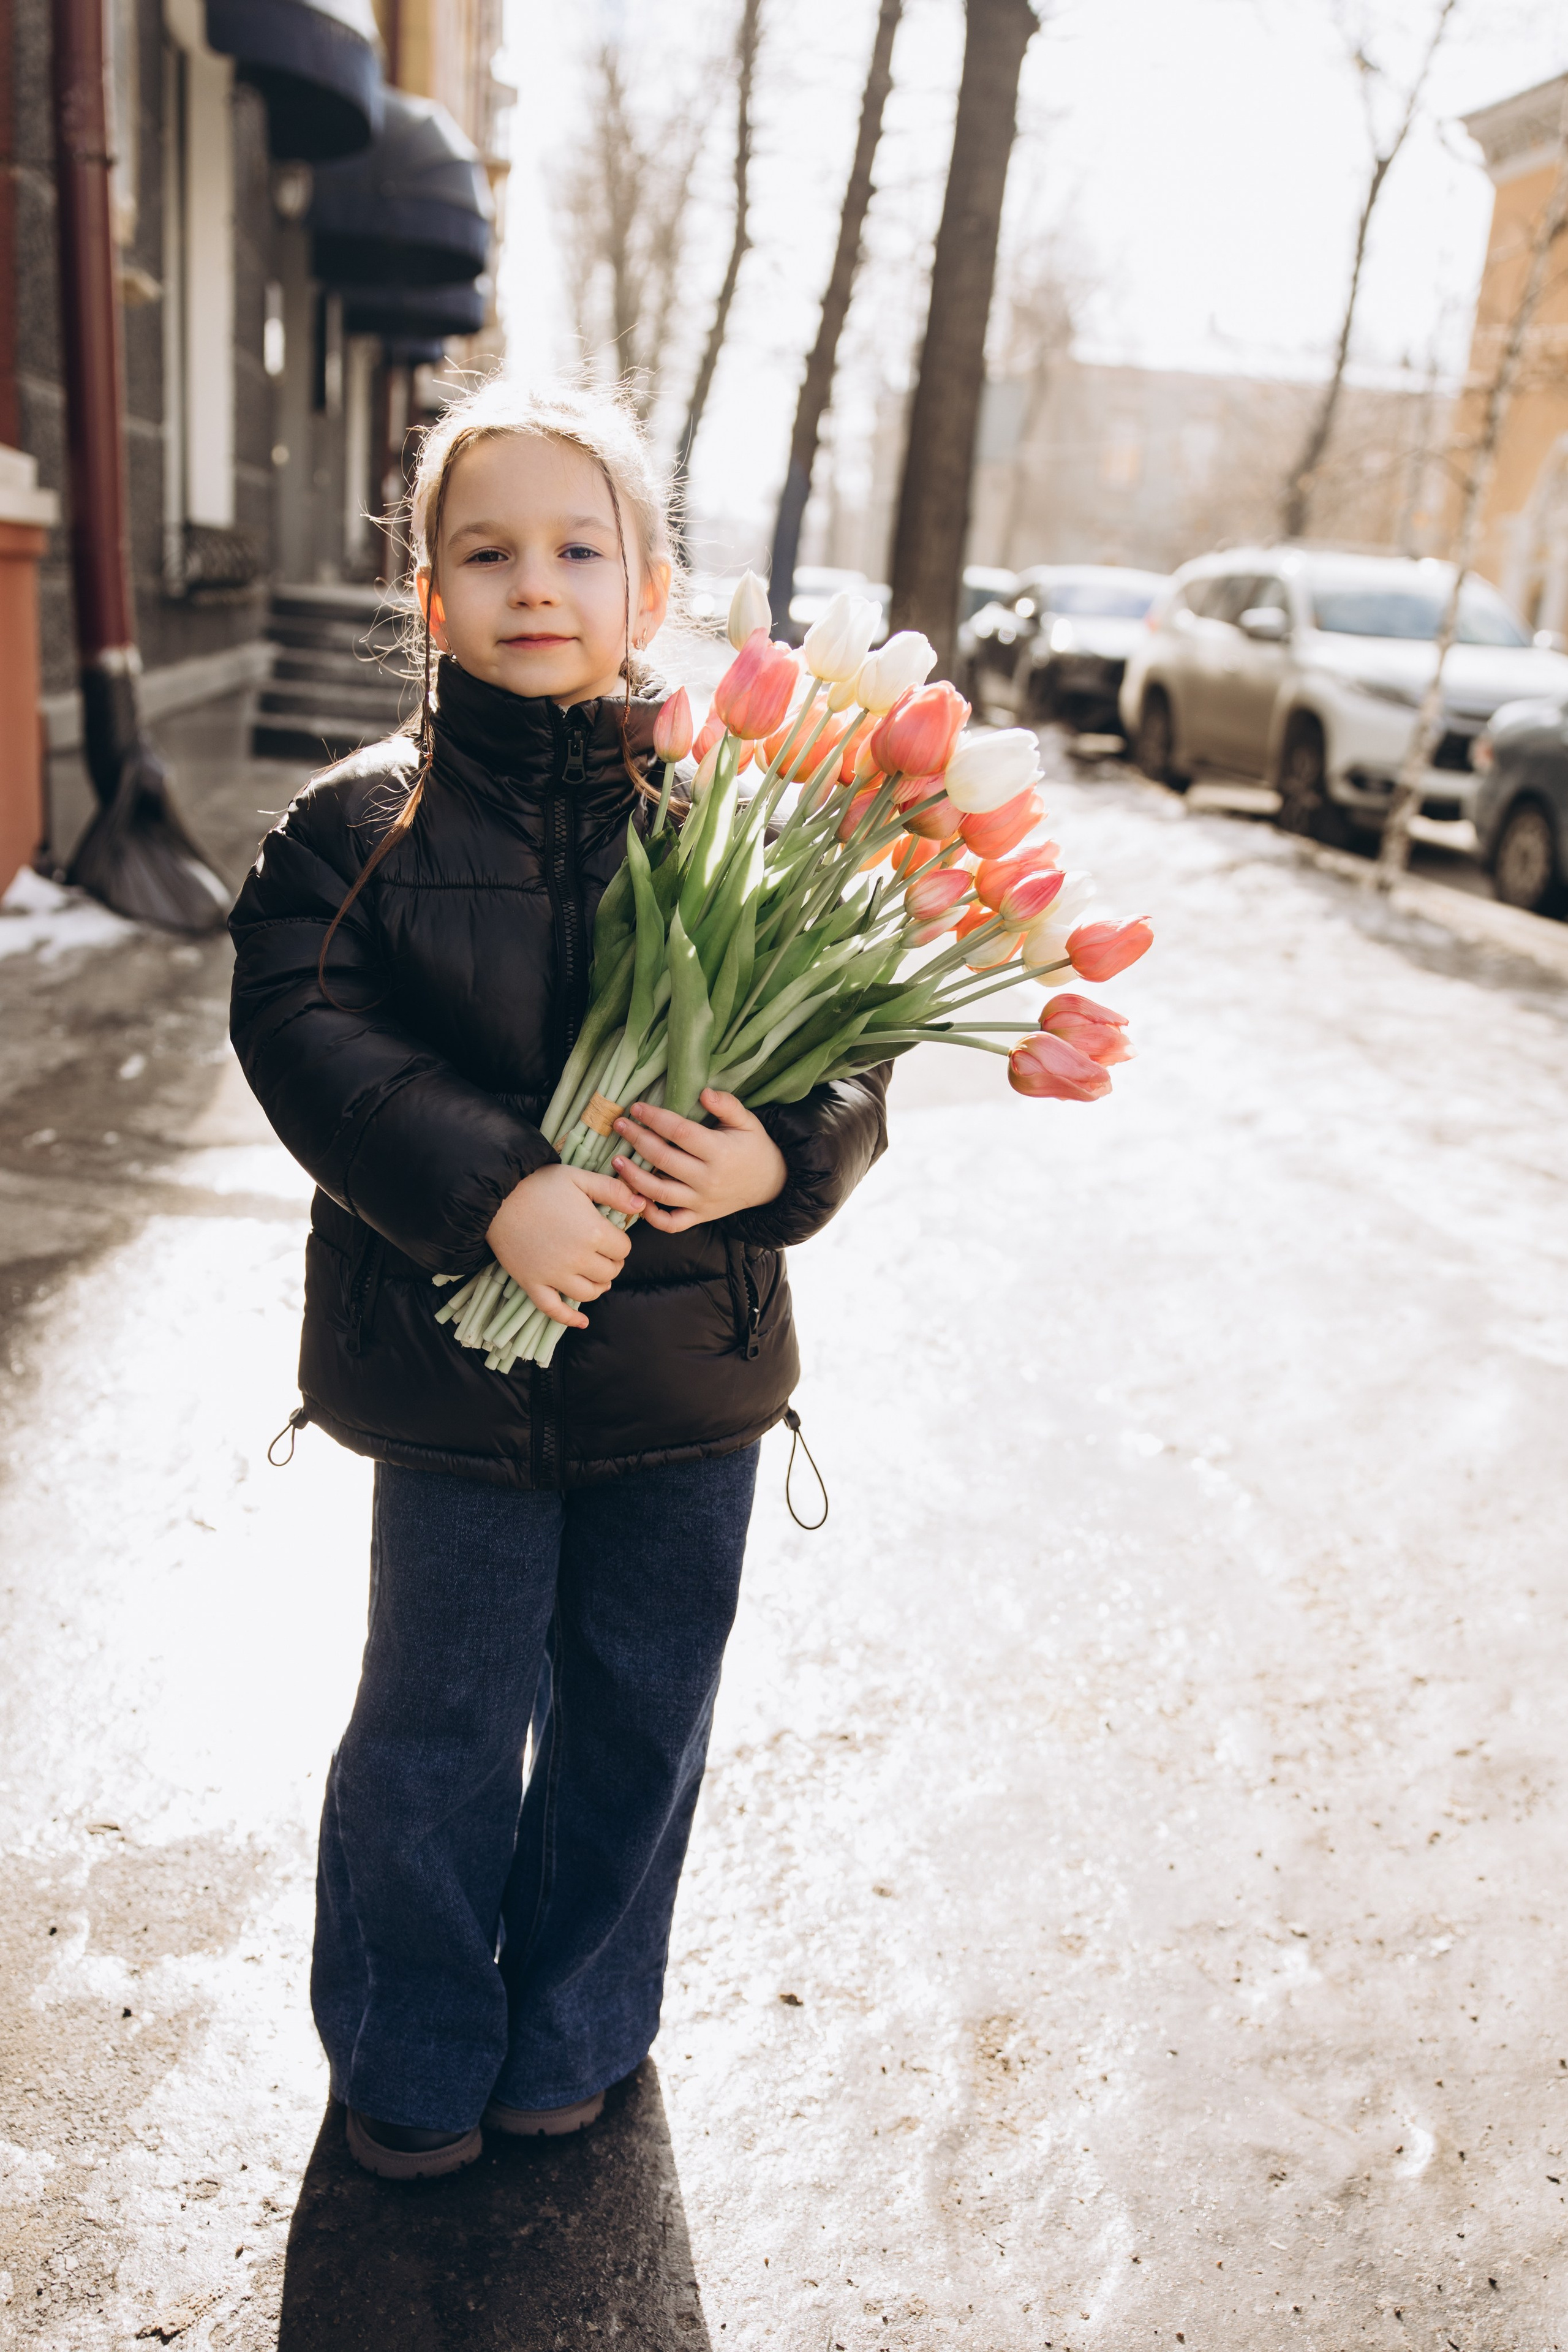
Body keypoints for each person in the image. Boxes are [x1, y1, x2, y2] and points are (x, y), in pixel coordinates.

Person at [228, 379, 888, 2180]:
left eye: (579, 549)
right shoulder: (352, 826)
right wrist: (497, 1190)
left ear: (652, 587)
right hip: (456, 1371)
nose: (537, 585)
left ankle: (578, 2032)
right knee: (438, 1722)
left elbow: (847, 1045)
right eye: (486, 551)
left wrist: (788, 1158)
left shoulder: (743, 821)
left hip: (689, 1375)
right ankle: (412, 2050)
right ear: (427, 596)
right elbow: (301, 1027)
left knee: (639, 1711)